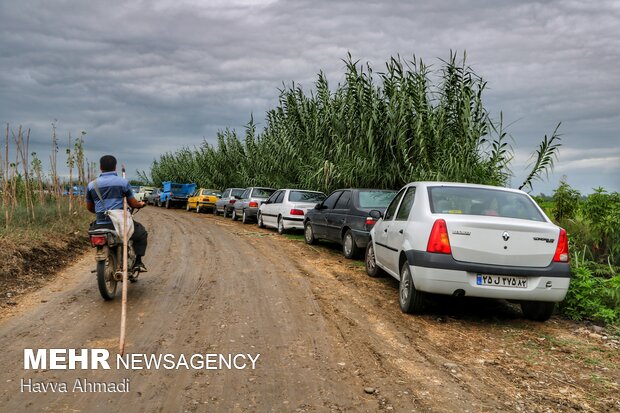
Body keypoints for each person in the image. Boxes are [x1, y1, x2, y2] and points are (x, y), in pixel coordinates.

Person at [85, 155, 148, 272]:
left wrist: (101, 212)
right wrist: (140, 204)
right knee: (142, 233)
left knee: (92, 230)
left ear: (100, 167)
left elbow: (89, 207)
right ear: (114, 167)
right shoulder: (123, 183)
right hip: (119, 224)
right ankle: (138, 262)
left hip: (101, 223)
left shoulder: (91, 185)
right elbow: (133, 203)